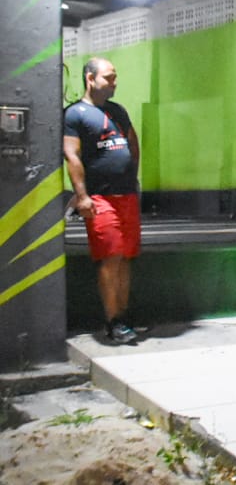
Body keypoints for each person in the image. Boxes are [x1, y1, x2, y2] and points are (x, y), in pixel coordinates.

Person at [63, 58, 142, 345]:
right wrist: (82, 196)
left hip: (127, 196)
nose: (114, 82)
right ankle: (113, 321)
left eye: (115, 77)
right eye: (108, 77)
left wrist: (132, 179)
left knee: (126, 257)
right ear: (90, 78)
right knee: (111, 257)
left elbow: (132, 144)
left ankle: (124, 315)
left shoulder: (117, 111)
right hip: (100, 198)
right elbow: (72, 155)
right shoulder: (75, 114)